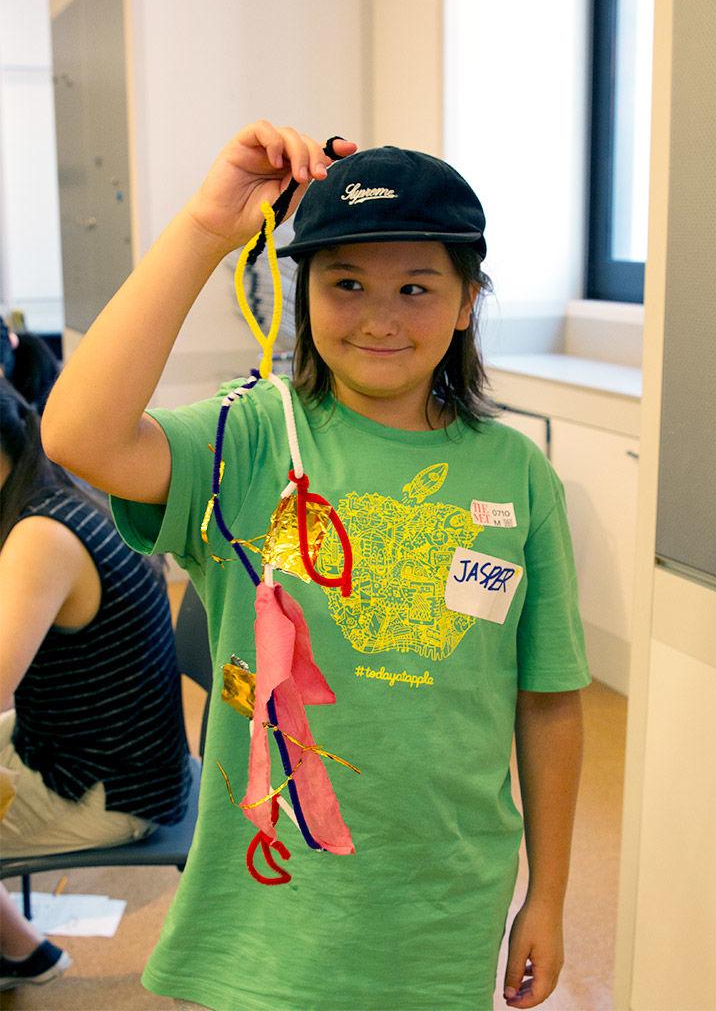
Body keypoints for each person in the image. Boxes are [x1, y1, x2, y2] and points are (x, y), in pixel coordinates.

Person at [42, 122, 590, 1011]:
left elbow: (549, 701)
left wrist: (551, 898)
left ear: (466, 303)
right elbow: (77, 435)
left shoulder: (518, 474)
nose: (379, 317)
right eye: (346, 284)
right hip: (270, 908)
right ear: (304, 297)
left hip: (443, 900)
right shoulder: (252, 439)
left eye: (416, 287)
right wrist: (206, 228)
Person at [0, 379, 192, 991]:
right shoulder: (51, 492)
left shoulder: (38, 537)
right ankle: (21, 950)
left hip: (107, 786)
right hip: (102, 751)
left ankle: (22, 952)